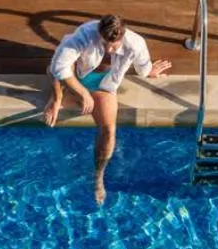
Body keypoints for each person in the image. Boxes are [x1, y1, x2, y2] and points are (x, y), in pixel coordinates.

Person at [43, 14, 173, 206]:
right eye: (106, 43)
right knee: (55, 67)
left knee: (109, 129)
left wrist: (150, 72)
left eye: (115, 45)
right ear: (100, 33)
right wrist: (74, 95)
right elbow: (59, 67)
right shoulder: (85, 34)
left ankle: (98, 177)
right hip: (76, 79)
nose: (110, 49)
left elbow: (143, 69)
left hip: (103, 87)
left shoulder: (135, 43)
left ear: (123, 35)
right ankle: (59, 97)